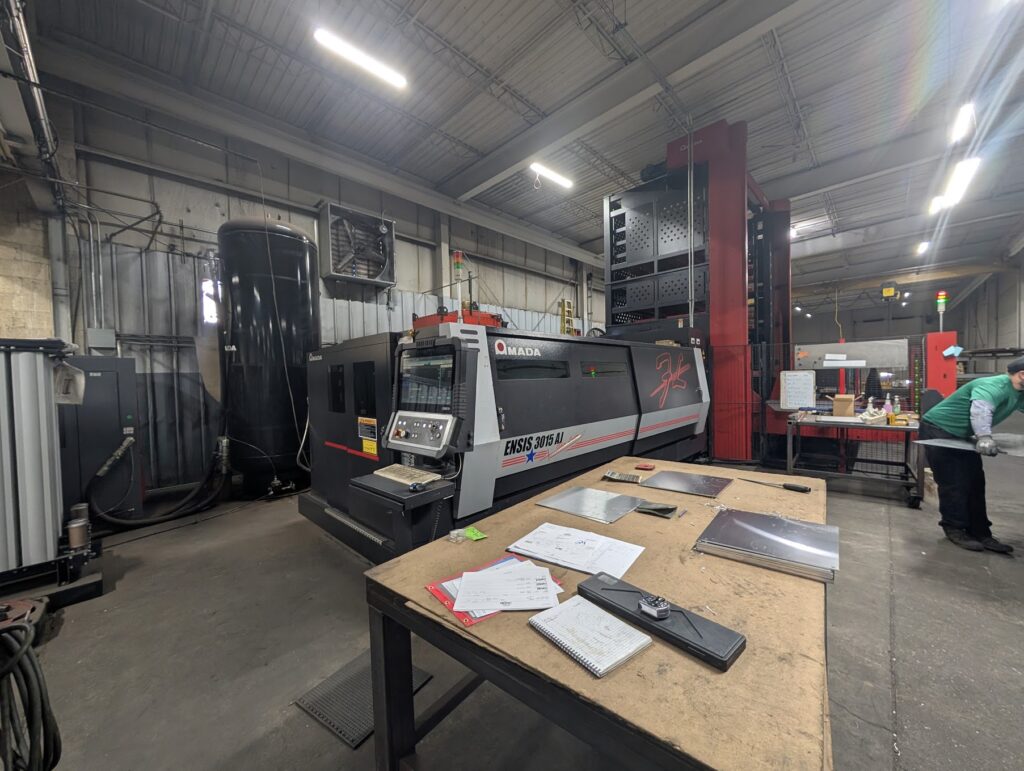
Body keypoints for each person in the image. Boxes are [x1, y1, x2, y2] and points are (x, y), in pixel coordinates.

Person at [919, 355, 1024, 552]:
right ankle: (954, 527)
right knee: (954, 481)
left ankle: (981, 532)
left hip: (962, 434)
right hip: (939, 428)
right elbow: (981, 410)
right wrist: (984, 436)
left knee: (975, 481)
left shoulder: (1019, 392)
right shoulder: (994, 386)